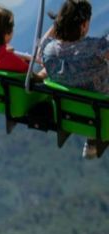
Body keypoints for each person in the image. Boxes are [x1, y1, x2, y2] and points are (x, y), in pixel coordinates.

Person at [41, 0, 109, 158]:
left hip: (73, 114)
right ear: (84, 25)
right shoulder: (95, 48)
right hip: (103, 110)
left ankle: (92, 140)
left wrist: (63, 19)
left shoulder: (49, 51)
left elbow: (41, 46)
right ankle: (93, 139)